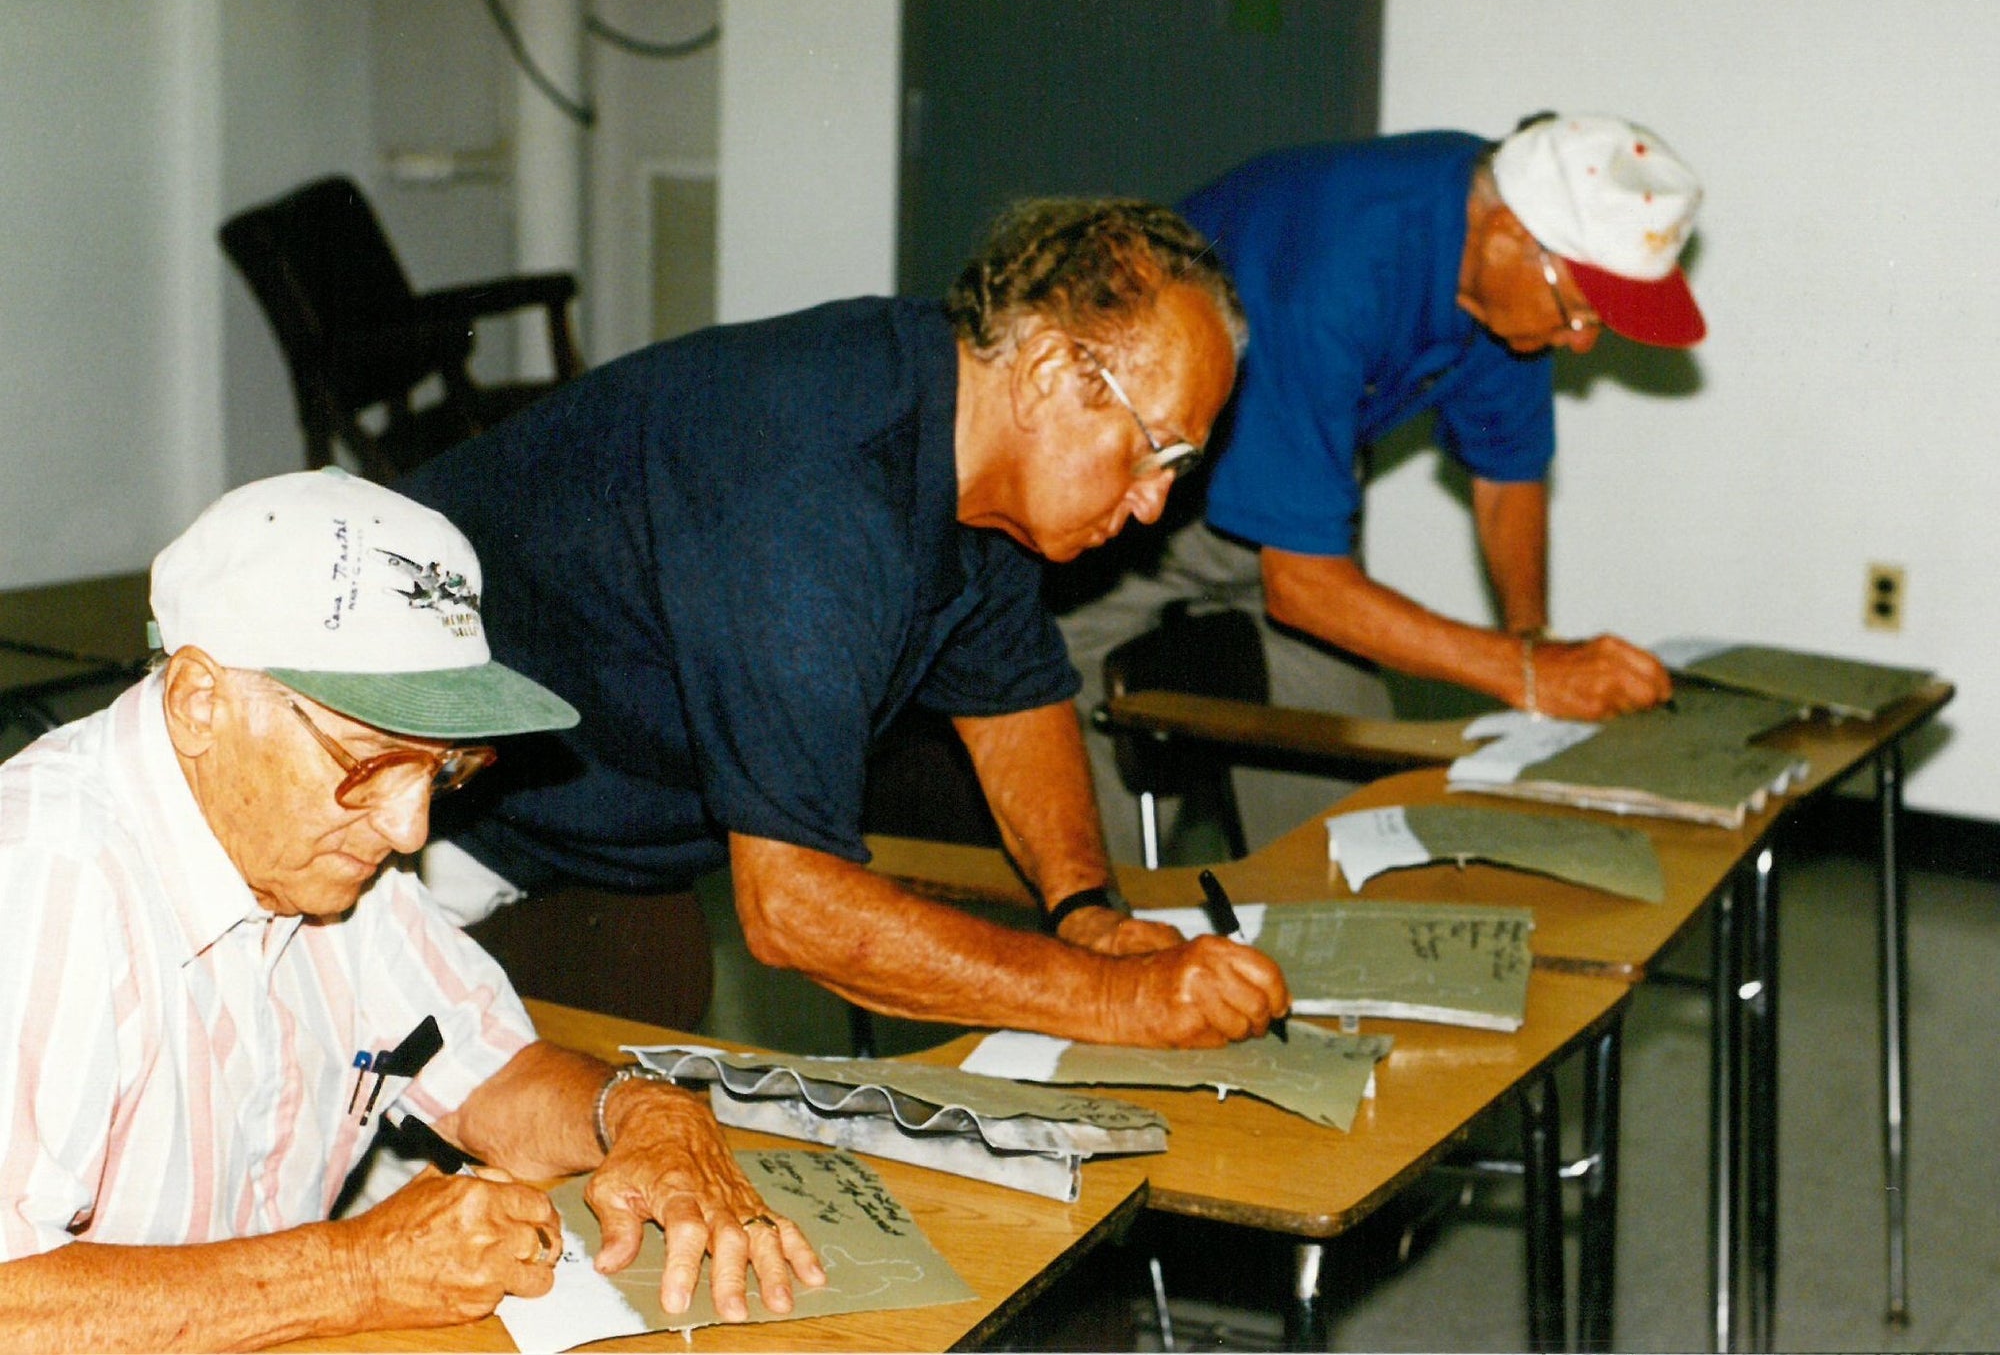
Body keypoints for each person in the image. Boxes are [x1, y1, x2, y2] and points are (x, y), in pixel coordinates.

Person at [398, 198, 1290, 1050]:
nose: (1155, 503)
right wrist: (1112, 998)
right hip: (405, 822)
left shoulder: (967, 439)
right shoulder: (814, 495)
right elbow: (794, 907)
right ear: (1050, 373)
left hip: (586, 848)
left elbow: (1014, 696)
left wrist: (1086, 910)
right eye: (1158, 451)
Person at [0, 469, 824, 1351]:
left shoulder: (319, 853)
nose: (409, 828)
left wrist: (641, 1114)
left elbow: (486, 1072)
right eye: (370, 762)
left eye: (441, 769)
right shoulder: (42, 881)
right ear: (202, 702)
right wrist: (356, 1272)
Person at [1058, 113, 1704, 863]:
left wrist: (1532, 644)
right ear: (1508, 236)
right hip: (1119, 476)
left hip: (1292, 480)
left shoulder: (1502, 273)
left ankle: (1319, 919)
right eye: (1581, 309)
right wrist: (1527, 675)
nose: (1585, 340)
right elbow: (1302, 587)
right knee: (1082, 743)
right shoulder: (1330, 272)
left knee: (1353, 781)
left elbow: (1508, 477)